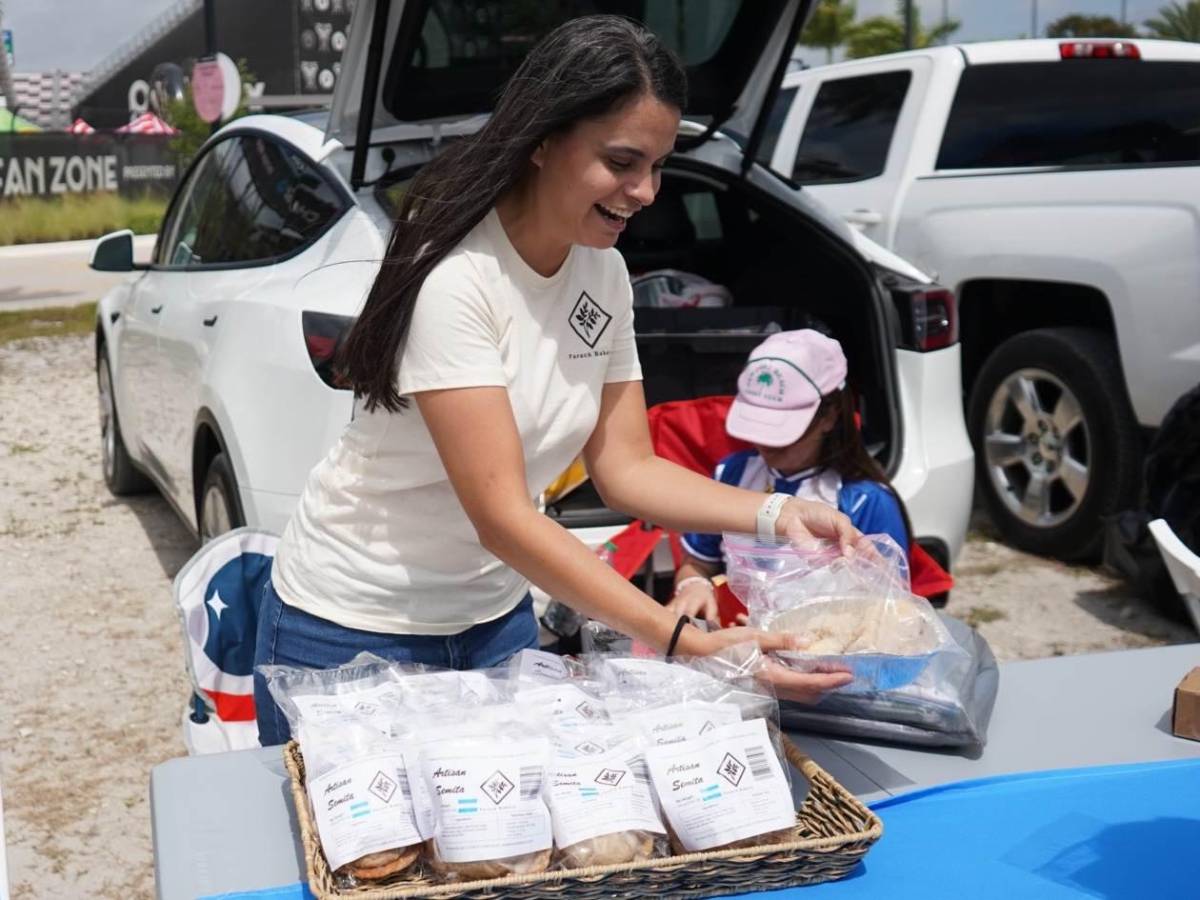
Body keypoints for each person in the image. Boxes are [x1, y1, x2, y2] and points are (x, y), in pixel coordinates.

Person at [252, 16, 856, 746]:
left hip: (493, 622)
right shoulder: (458, 279)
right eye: (622, 161)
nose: (646, 191)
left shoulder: (603, 273)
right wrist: (686, 641)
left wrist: (778, 513)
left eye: (658, 165)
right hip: (351, 630)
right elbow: (503, 515)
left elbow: (627, 468)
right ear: (541, 140)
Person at [668, 329, 912, 625]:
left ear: (829, 416)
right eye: (757, 424)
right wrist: (693, 585)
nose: (764, 442)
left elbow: (891, 611)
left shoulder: (865, 501)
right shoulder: (731, 473)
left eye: (780, 429)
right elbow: (697, 563)